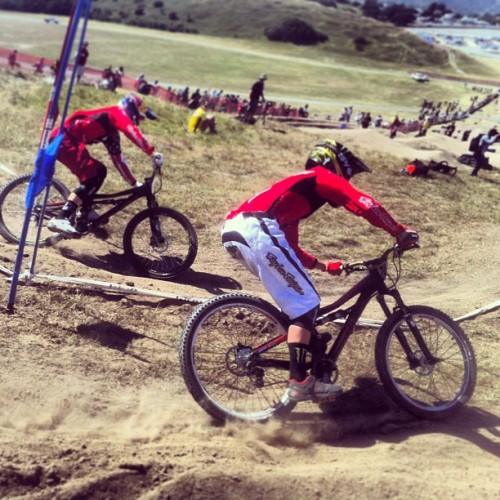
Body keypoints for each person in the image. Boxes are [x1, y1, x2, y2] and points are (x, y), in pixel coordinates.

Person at [221, 139, 419, 402]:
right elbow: (363, 203)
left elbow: (290, 247)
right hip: (255, 228)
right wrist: (399, 231)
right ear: (334, 163)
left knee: (299, 305)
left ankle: (309, 367)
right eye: (346, 173)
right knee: (305, 303)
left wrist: (323, 265)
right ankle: (299, 382)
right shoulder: (321, 175)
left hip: (236, 233)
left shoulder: (292, 197)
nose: (346, 178)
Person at [47, 93, 161, 237]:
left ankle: (85, 210)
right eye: (139, 116)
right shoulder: (116, 113)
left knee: (100, 171)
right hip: (63, 140)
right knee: (92, 176)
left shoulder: (112, 133)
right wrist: (151, 152)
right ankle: (62, 217)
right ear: (131, 109)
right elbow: (131, 131)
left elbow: (118, 160)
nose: (139, 121)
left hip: (70, 142)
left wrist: (134, 183)